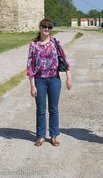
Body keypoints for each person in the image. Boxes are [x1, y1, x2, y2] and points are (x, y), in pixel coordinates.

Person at [27, 18, 71, 147]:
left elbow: (64, 60)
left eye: (49, 27)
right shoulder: (33, 45)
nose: (47, 29)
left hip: (54, 79)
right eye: (45, 27)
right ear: (40, 28)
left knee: (54, 109)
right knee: (40, 110)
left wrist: (69, 77)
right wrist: (32, 85)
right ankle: (40, 136)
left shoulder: (55, 42)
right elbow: (30, 65)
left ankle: (53, 136)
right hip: (39, 80)